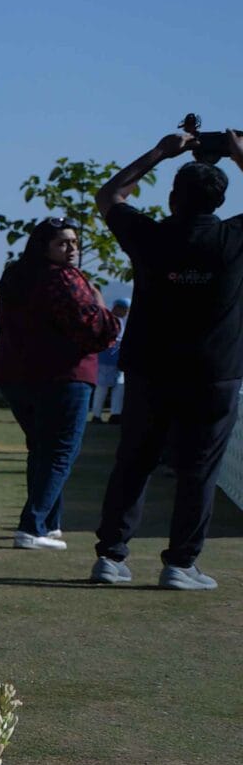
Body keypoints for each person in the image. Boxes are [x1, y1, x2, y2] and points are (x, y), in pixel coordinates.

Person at [88, 124, 243, 589]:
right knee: (199, 470)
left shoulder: (149, 236)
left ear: (173, 199)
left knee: (134, 461)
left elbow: (109, 196)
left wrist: (160, 152)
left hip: (149, 368)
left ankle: (111, 557)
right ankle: (180, 564)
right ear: (220, 201)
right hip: (214, 372)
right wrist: (237, 152)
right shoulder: (233, 238)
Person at [0, 218, 118, 548]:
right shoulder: (63, 278)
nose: (72, 249)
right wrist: (101, 304)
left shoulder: (13, 278)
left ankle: (48, 522)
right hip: (64, 375)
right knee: (60, 451)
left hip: (16, 375)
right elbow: (93, 327)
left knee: (41, 449)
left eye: (74, 242)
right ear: (44, 247)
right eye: (63, 243)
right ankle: (32, 527)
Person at [92, 302, 129, 420]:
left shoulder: (114, 320)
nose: (125, 312)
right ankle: (103, 414)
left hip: (111, 359)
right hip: (108, 360)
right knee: (107, 387)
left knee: (112, 387)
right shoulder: (113, 321)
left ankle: (107, 414)